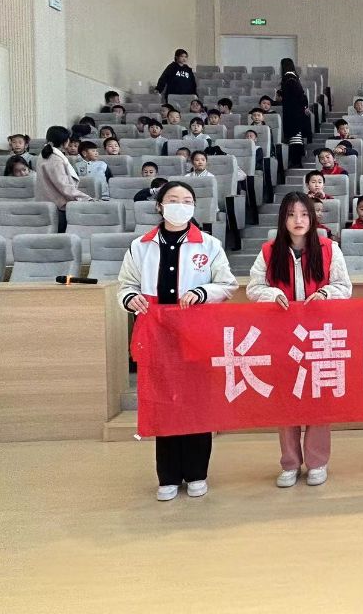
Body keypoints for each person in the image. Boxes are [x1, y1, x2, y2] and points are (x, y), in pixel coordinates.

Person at [118, 181, 237, 501]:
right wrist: (129, 298)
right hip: (158, 336)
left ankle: (197, 473)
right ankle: (168, 475)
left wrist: (202, 292)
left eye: (186, 200)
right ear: (160, 206)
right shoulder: (140, 246)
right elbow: (126, 285)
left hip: (196, 336)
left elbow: (227, 284)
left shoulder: (209, 245)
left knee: (197, 402)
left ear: (194, 207)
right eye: (173, 199)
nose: (179, 205)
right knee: (165, 403)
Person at [247, 192, 352, 488]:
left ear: (313, 217)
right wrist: (272, 294)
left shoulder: (329, 248)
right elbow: (254, 287)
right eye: (292, 214)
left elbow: (344, 287)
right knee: (286, 400)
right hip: (282, 337)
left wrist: (325, 293)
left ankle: (317, 461)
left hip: (319, 337)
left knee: (318, 400)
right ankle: (290, 463)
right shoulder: (269, 251)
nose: (298, 220)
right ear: (283, 218)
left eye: (304, 214)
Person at [35, 126, 91, 231]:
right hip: (58, 207)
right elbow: (64, 186)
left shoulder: (44, 154)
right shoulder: (55, 158)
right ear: (65, 141)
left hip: (47, 203)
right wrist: (86, 198)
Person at [279, 58, 311, 169]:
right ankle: (296, 160)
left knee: (294, 137)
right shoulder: (294, 77)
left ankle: (296, 162)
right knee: (296, 137)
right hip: (296, 111)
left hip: (293, 112)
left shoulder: (289, 78)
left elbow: (296, 96)